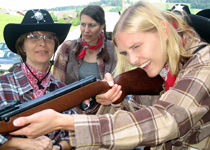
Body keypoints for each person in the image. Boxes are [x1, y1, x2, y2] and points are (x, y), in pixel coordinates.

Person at [9, 1, 210, 149]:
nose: (131, 60)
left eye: (137, 46)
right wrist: (112, 101)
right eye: (125, 53)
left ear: (164, 30)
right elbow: (131, 119)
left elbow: (163, 121)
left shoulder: (204, 63)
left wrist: (64, 122)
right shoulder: (160, 69)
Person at [0, 9, 74, 150]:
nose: (42, 43)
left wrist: (57, 147)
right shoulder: (2, 85)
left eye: (49, 37)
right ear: (22, 45)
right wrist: (23, 144)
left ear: (55, 45)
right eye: (33, 36)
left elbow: (74, 135)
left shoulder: (64, 90)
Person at [53, 5, 116, 114]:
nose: (86, 30)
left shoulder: (113, 50)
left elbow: (118, 86)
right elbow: (57, 87)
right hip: (72, 114)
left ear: (102, 26)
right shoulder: (67, 48)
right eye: (83, 25)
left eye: (92, 25)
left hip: (104, 115)